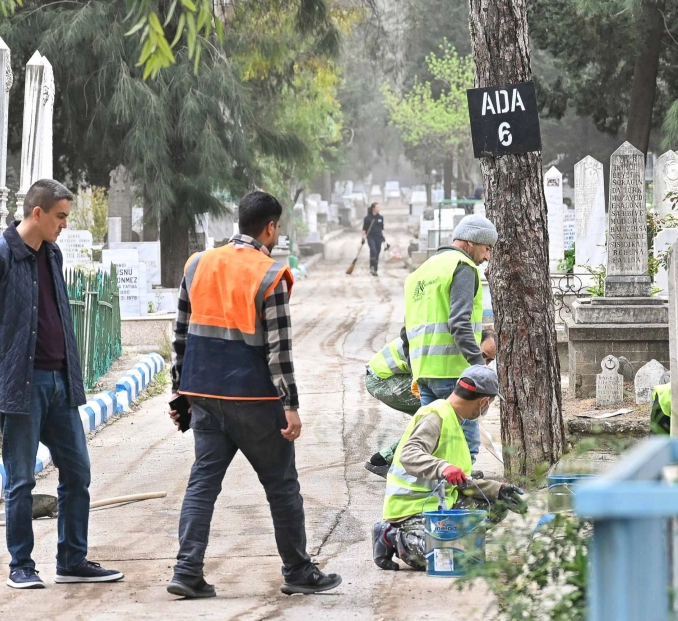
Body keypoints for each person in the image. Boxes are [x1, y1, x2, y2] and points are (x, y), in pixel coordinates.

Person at [166, 190, 341, 599]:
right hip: (256, 403)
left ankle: (187, 570)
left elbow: (180, 338)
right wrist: (291, 406)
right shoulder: (270, 274)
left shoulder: (197, 264)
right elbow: (279, 351)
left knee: (202, 484)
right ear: (270, 227)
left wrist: (180, 396)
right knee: (281, 486)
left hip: (204, 395)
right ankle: (297, 570)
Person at [0, 177, 123, 589]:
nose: (64, 224)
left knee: (77, 472)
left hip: (61, 382)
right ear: (37, 213)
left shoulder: (52, 254)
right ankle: (21, 566)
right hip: (21, 384)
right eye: (60, 216)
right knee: (21, 479)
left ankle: (72, 561)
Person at [371, 364, 526, 571]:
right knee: (442, 558)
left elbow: (458, 481)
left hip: (441, 505)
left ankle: (452, 539)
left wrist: (496, 489)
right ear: (484, 401)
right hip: (412, 510)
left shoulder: (454, 420)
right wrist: (443, 467)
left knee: (497, 505)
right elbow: (409, 454)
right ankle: (391, 534)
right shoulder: (435, 416)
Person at [401, 214, 497, 464]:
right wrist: (478, 366)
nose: (487, 257)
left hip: (425, 374)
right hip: (454, 373)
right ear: (471, 242)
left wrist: (415, 369)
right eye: (487, 248)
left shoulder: (420, 273)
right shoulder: (462, 267)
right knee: (464, 446)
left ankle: (438, 495)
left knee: (434, 441)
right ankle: (462, 497)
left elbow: (406, 330)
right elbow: (459, 322)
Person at [362, 331, 494, 478]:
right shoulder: (452, 346)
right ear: (472, 343)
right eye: (482, 356)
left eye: (489, 360)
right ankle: (462, 470)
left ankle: (385, 458)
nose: (484, 364)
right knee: (456, 412)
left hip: (402, 373)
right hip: (384, 378)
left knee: (433, 421)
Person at [361, 202, 386, 276]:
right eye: (377, 207)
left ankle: (375, 268)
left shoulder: (380, 218)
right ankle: (371, 266)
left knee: (377, 253)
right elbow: (364, 229)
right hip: (371, 237)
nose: (379, 209)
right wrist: (363, 238)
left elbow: (382, 228)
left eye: (379, 207)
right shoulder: (367, 218)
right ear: (373, 208)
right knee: (373, 250)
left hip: (379, 237)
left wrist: (384, 236)